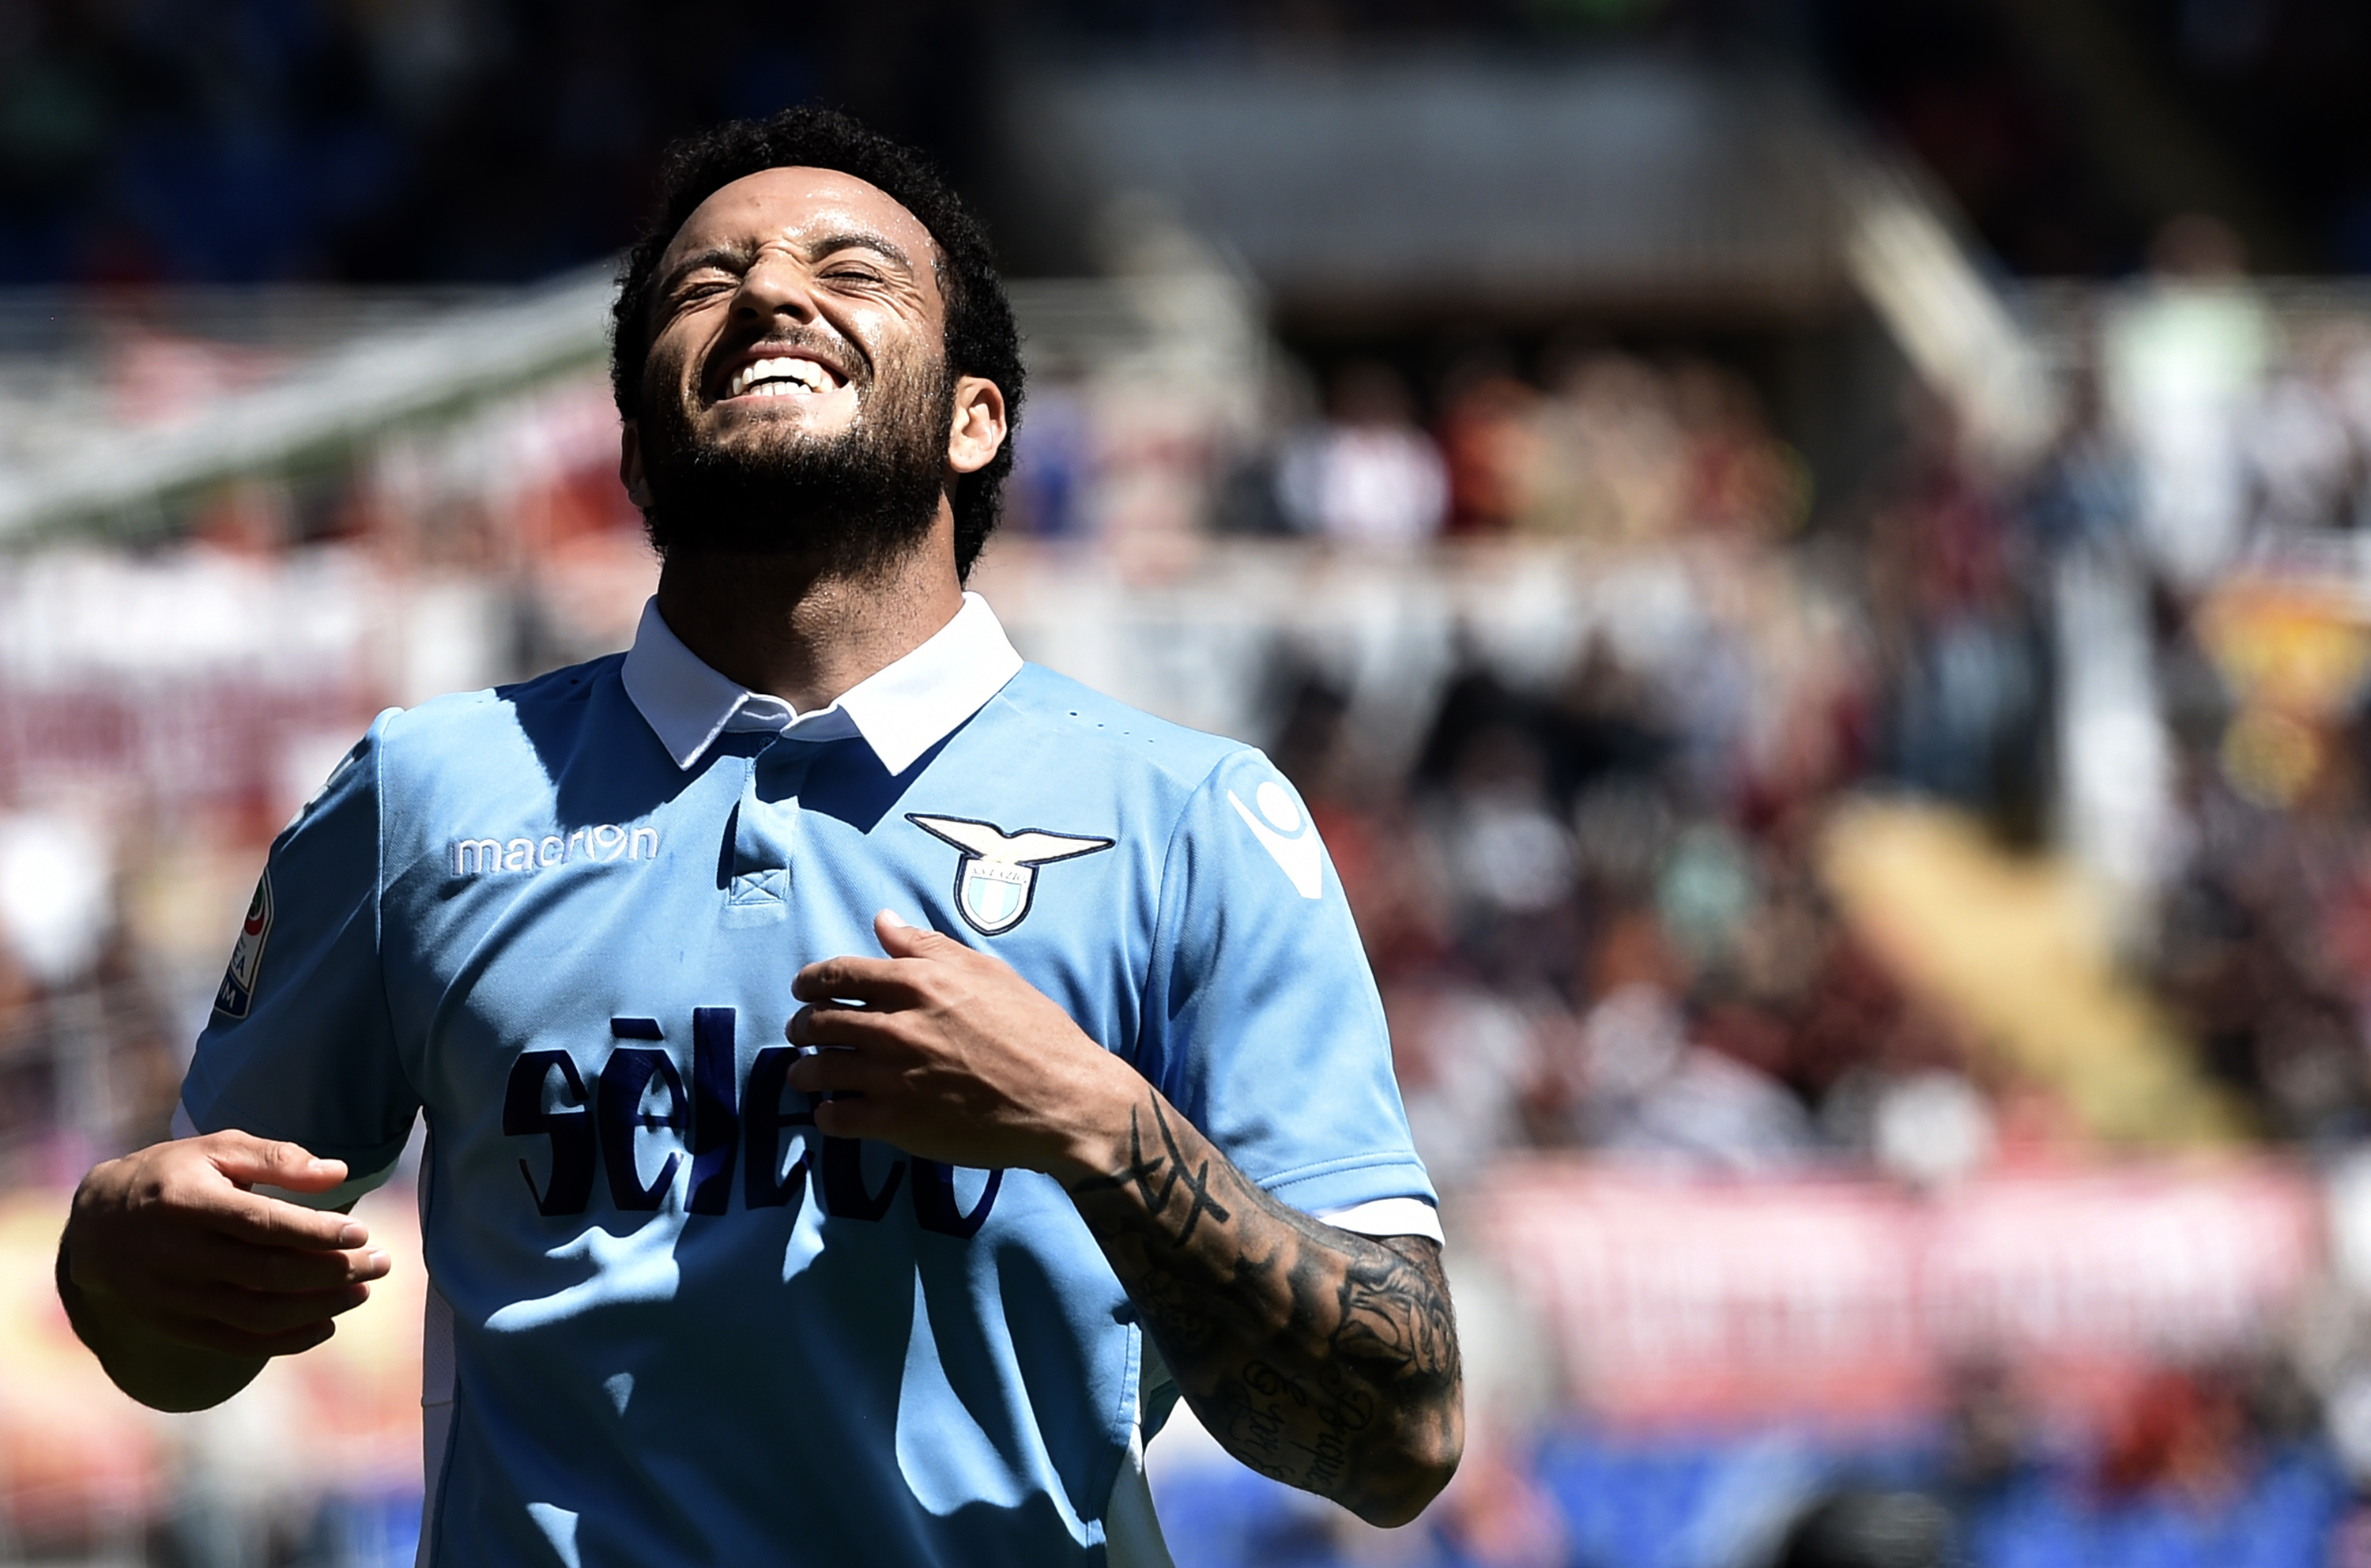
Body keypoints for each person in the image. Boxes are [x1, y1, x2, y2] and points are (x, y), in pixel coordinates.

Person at [54, 107, 1462, 1564]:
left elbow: (1400, 1443)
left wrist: (1098, 1124)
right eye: (706, 282)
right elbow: (183, 1344)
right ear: (636, 451)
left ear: (976, 421)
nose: (772, 292)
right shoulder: (422, 793)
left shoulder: (1193, 819)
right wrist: (110, 1263)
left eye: (851, 272)